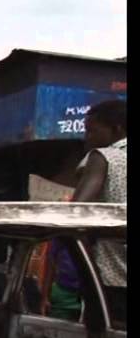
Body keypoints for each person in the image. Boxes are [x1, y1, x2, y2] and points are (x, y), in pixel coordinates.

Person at [72, 99, 126, 320]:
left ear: (117, 129)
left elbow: (75, 211)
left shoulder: (104, 157)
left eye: (92, 131)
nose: (87, 138)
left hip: (111, 273)